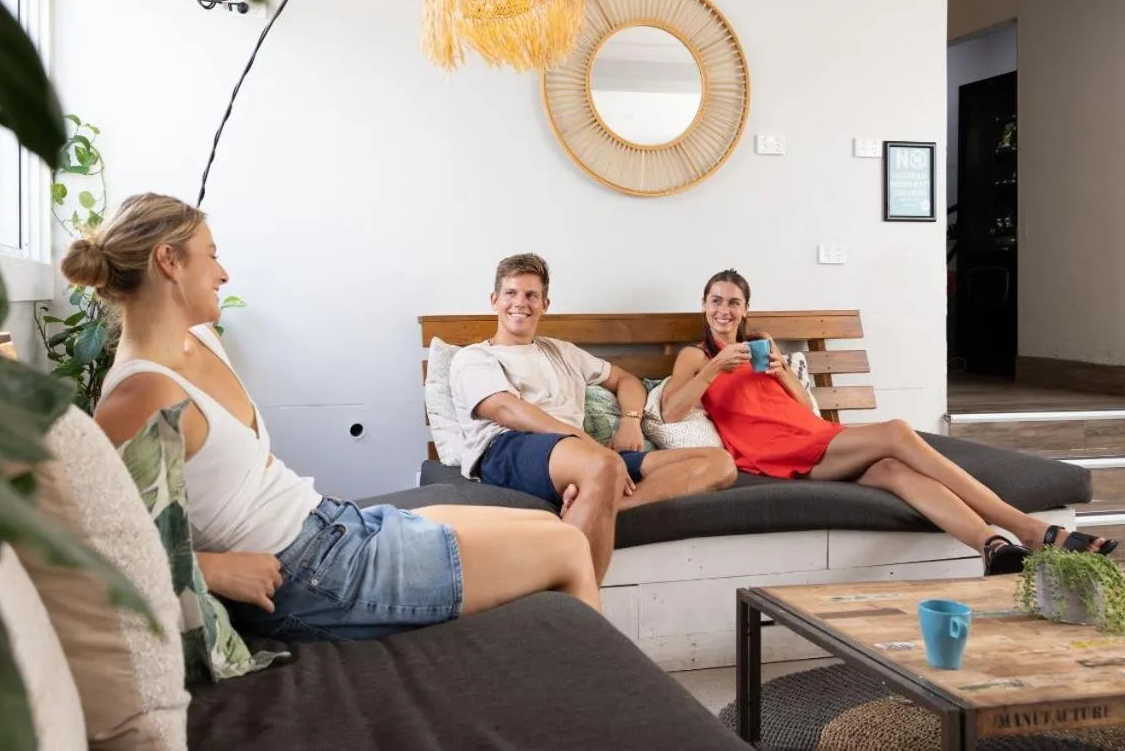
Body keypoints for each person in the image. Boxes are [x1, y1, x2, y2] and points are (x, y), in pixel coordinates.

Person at [62, 193, 600, 642]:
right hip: (313, 576)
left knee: (550, 524)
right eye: (211, 255)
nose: (223, 272)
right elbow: (82, 544)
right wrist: (214, 570)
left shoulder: (197, 341)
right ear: (168, 261)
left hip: (334, 526)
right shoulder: (140, 394)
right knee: (569, 547)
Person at [661, 268, 1119, 574]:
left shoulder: (760, 349)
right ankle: (1030, 528)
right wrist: (714, 369)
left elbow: (802, 411)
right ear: (704, 305)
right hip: (777, 455)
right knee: (898, 431)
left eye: (734, 302)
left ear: (746, 310)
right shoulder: (694, 356)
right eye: (717, 300)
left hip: (813, 436)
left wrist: (783, 371)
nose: (725, 310)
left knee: (895, 471)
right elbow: (672, 410)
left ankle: (992, 548)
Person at [450, 253, 736, 582]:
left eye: (531, 295)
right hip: (511, 449)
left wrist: (630, 421)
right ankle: (580, 606)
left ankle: (596, 502)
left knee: (720, 464)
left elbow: (626, 380)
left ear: (545, 303)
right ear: (494, 300)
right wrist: (588, 444)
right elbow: (505, 409)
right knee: (606, 466)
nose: (520, 303)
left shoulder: (561, 352)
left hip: (583, 457)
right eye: (511, 293)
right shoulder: (474, 357)